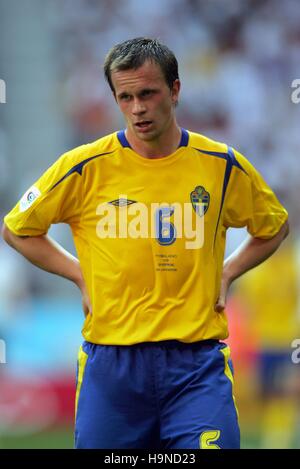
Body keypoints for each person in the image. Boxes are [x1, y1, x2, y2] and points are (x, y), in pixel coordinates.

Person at [1, 37, 289, 449]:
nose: (137, 108)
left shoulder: (221, 166)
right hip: (112, 366)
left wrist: (228, 271)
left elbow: (273, 227)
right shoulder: (84, 167)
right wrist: (81, 277)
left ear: (174, 90)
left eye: (148, 93)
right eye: (125, 97)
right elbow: (18, 229)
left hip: (195, 365)